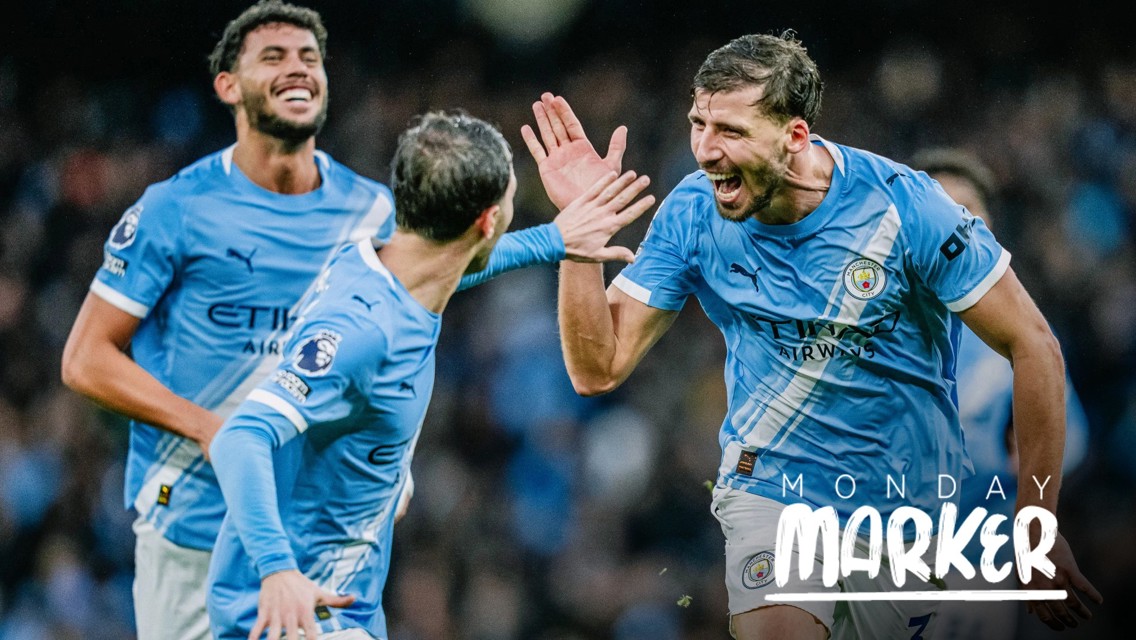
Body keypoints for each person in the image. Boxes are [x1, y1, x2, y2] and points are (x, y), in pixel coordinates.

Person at [58, 2, 633, 638]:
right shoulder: (194, 220)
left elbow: (441, 267)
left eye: (309, 56)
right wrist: (271, 555)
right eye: (273, 56)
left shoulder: (367, 235)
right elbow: (231, 428)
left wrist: (556, 238)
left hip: (327, 583)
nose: (296, 68)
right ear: (228, 85)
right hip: (242, 561)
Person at [521, 32, 1103, 640]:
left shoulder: (903, 207)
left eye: (731, 131)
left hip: (909, 515)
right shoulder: (693, 212)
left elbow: (1035, 345)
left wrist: (1036, 525)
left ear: (795, 136)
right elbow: (597, 368)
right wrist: (579, 237)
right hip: (772, 490)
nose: (706, 151)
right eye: (699, 124)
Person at [204, 111, 655, 639]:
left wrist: (556, 237)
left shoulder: (383, 263)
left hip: (342, 602)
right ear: (487, 221)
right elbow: (240, 437)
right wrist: (278, 570)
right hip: (293, 612)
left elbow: (446, 268)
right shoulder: (362, 331)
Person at [912, 147, 1091, 640]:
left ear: (988, 232)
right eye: (937, 209)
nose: (950, 226)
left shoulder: (1018, 340)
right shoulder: (865, 331)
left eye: (966, 211)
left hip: (976, 565)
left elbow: (1071, 437)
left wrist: (1027, 461)